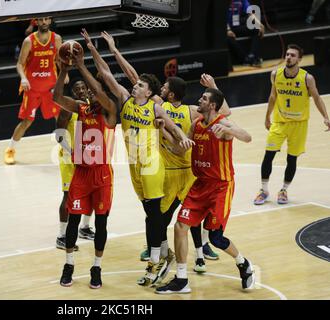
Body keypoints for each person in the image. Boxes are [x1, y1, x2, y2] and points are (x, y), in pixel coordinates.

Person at [100, 31, 227, 268]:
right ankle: (165, 248)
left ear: (170, 93)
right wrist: (115, 51)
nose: (161, 88)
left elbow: (222, 112)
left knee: (182, 212)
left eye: (165, 86)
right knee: (162, 214)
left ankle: (196, 251)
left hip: (182, 169)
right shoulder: (169, 107)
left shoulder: (179, 108)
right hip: (171, 168)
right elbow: (133, 77)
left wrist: (214, 88)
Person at [81, 29, 194, 287]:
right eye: (136, 83)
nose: (135, 85)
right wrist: (92, 48)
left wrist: (181, 138)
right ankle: (163, 255)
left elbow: (172, 126)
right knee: (149, 214)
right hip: (134, 165)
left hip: (152, 164)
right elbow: (107, 75)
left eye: (141, 85)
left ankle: (156, 262)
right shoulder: (125, 99)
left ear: (149, 91)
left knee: (153, 215)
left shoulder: (155, 106)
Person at [156, 88, 254, 294]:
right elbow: (179, 148)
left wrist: (230, 131)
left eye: (204, 98)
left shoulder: (223, 123)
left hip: (220, 187)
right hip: (199, 185)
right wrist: (162, 130)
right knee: (180, 226)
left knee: (216, 238)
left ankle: (243, 263)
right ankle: (181, 279)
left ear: (212, 105)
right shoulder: (196, 124)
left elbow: (247, 137)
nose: (199, 100)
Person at [54, 46, 117, 289]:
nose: (89, 92)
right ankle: (69, 264)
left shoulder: (110, 110)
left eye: (91, 89)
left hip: (101, 174)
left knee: (101, 224)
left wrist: (81, 64)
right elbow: (57, 98)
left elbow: (101, 92)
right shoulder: (80, 109)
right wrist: (64, 70)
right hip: (81, 172)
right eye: (86, 90)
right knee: (73, 221)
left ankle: (96, 267)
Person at [254, 44, 330, 205]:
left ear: (299, 59)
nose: (288, 57)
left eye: (292, 55)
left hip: (299, 124)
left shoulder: (307, 78)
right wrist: (267, 117)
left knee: (292, 159)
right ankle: (264, 190)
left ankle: (284, 190)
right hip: (280, 122)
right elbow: (273, 96)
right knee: (268, 155)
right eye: (287, 54)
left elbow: (316, 98)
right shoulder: (275, 74)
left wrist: (325, 117)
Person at [4, 17, 63, 165]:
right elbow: (19, 64)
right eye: (41, 20)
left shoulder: (56, 39)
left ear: (50, 21)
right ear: (36, 22)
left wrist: (65, 73)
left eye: (47, 20)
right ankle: (10, 150)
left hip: (50, 87)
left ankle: (66, 148)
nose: (44, 22)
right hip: (32, 89)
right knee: (27, 121)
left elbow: (60, 61)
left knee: (60, 117)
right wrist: (23, 78)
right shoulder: (29, 41)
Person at [55, 83, 97, 252]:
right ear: (72, 93)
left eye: (82, 88)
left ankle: (85, 228)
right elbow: (58, 135)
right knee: (68, 196)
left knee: (93, 192)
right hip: (69, 158)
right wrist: (72, 152)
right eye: (76, 89)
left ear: (87, 90)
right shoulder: (68, 108)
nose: (80, 90)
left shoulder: (91, 107)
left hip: (87, 158)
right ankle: (62, 236)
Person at [227, 0, 265, 67]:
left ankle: (251, 56)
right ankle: (244, 59)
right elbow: (220, 16)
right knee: (228, 38)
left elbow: (250, 13)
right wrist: (228, 30)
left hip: (237, 26)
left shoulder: (242, 1)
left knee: (257, 29)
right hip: (226, 28)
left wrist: (259, 24)